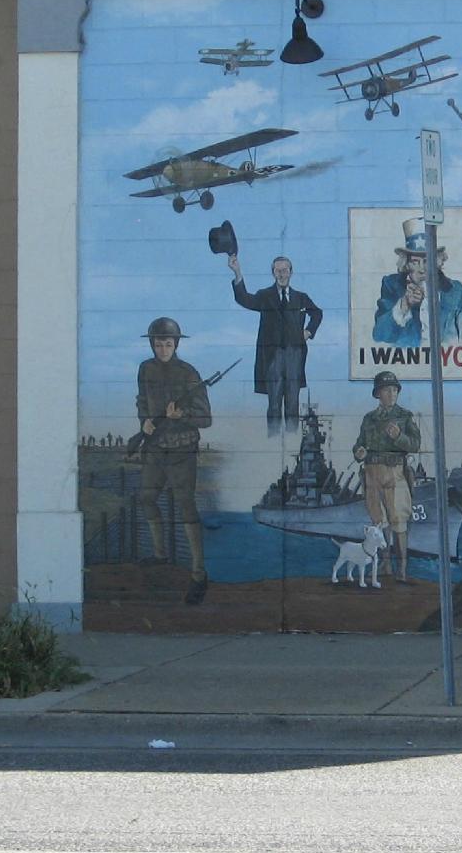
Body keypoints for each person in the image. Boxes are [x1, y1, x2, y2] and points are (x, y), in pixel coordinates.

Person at [134, 316, 213, 605]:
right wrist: (145, 422)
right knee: (146, 497)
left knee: (186, 506)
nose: (163, 348)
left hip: (182, 449)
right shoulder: (145, 369)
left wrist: (182, 416)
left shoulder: (189, 374)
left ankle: (198, 573)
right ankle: (159, 554)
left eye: (168, 343)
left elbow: (206, 418)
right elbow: (142, 400)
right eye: (158, 343)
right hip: (155, 447)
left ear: (176, 344)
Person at [228, 253, 322, 434]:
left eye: (285, 270)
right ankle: (273, 443)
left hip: (294, 356)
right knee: (274, 404)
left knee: (293, 404)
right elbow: (244, 299)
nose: (281, 274)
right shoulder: (265, 296)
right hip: (273, 358)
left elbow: (317, 313)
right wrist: (237, 273)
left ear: (291, 272)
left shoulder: (301, 297)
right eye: (278, 271)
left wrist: (309, 331)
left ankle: (293, 441)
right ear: (273, 273)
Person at [352, 369, 421, 581]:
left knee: (398, 520)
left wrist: (399, 437)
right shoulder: (369, 419)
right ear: (377, 394)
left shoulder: (405, 417)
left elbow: (415, 445)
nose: (391, 394)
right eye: (386, 390)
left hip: (395, 472)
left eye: (394, 390)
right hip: (372, 474)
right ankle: (385, 566)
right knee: (379, 521)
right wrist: (359, 452)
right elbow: (359, 444)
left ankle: (401, 570)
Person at [374, 217, 462, 345]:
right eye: (415, 262)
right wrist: (404, 305)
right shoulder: (392, 286)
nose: (422, 269)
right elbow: (379, 335)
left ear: (437, 262)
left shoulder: (458, 291)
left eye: (427, 261)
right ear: (406, 264)